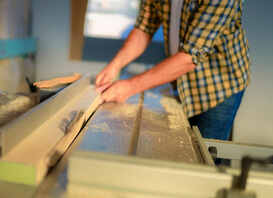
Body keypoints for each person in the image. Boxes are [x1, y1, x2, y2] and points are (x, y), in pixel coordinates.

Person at [95, 0, 250, 141]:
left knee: (204, 158)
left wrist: (129, 86)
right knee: (184, 147)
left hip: (220, 85)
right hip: (184, 81)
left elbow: (190, 55)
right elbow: (144, 28)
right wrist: (114, 66)